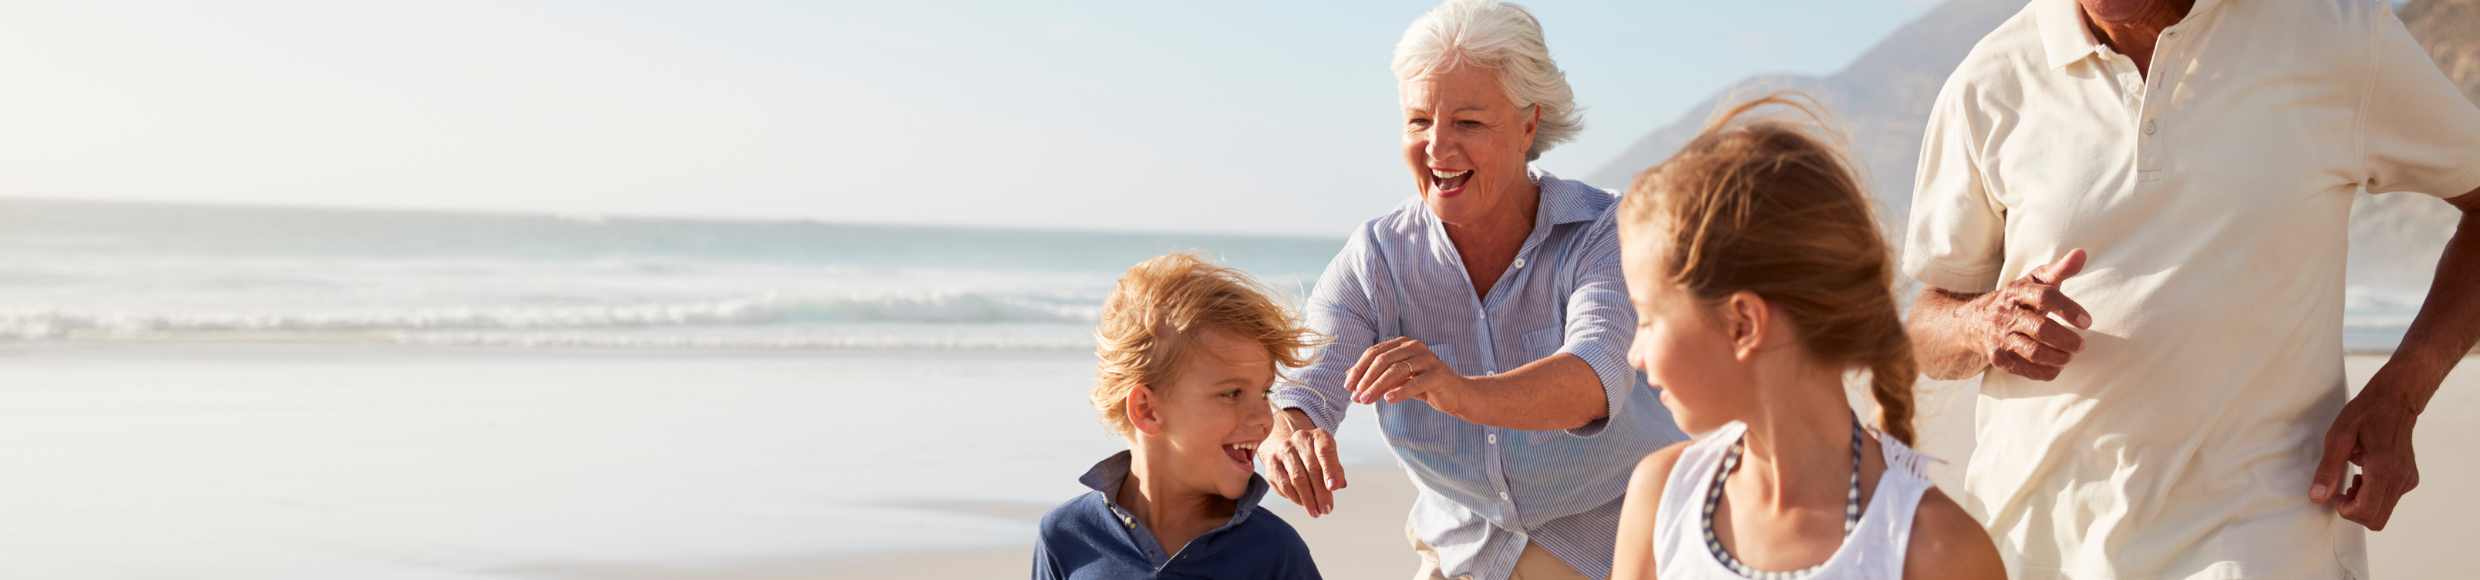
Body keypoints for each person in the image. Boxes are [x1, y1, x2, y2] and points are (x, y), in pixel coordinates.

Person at [1901, 0, 2480, 576]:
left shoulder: (2337, 37)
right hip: (2034, 544)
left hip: (2262, 535)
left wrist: (2402, 394)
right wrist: (1984, 323)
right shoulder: (1991, 78)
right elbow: (1928, 325)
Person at [1256, 1, 1687, 578]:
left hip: (1621, 542)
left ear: (1529, 123)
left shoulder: (1604, 231)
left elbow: (1594, 376)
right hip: (1464, 553)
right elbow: (1301, 390)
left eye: (1468, 123)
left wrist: (1460, 392)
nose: (1437, 147)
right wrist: (1291, 436)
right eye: (1418, 121)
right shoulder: (1377, 257)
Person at [1604, 96, 2004, 580]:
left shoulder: (1938, 551)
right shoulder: (1662, 497)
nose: (1635, 355)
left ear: (1742, 324)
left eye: (1646, 319)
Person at [1031, 253, 1323, 579]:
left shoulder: (1274, 552)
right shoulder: (1066, 537)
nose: (1263, 420)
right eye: (1232, 393)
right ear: (1147, 410)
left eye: (1266, 392)